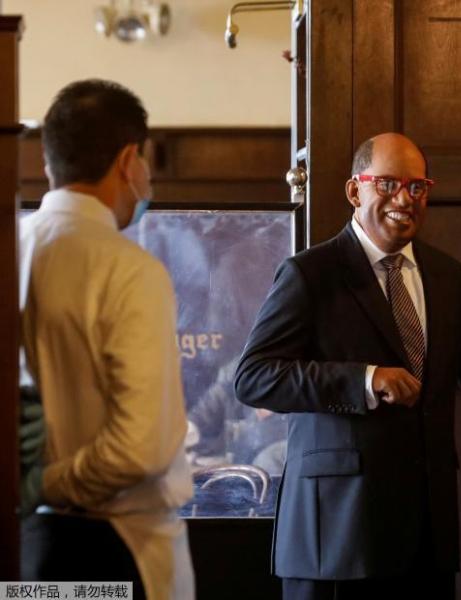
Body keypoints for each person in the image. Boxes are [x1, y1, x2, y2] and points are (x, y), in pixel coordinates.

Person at [234, 132, 461, 600]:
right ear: (354, 190)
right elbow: (254, 377)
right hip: (335, 538)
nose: (404, 199)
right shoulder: (310, 274)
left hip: (426, 540)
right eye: (387, 184)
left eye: (417, 187)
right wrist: (364, 379)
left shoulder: (449, 278)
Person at [18, 79, 194, 600]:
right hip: (115, 544)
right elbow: (141, 449)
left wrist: (29, 488)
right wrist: (47, 483)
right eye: (146, 163)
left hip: (29, 542)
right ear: (127, 161)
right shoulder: (128, 269)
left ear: (49, 162)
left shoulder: (12, 247)